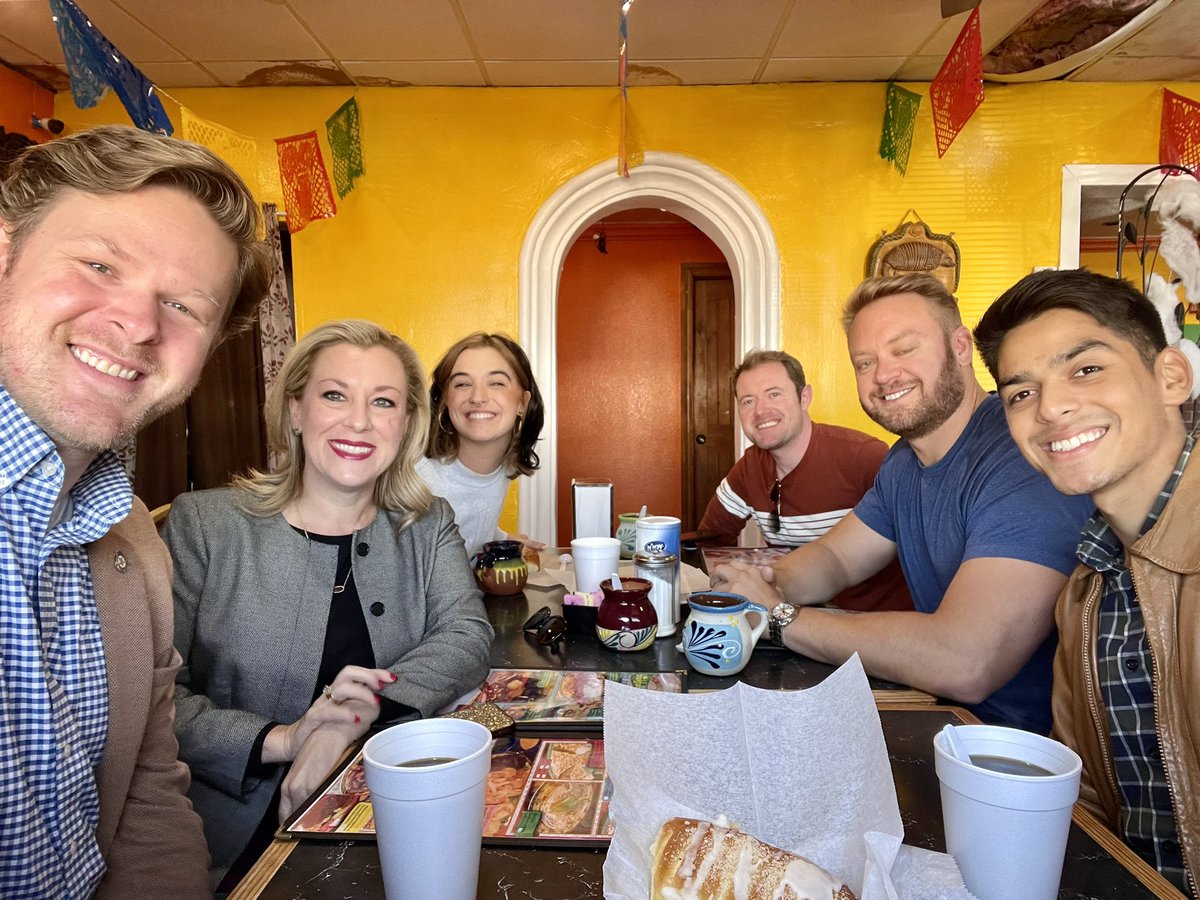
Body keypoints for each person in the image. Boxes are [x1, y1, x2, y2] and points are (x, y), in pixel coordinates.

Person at [0, 124, 272, 897]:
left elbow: (148, 798)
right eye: (100, 265)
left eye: (184, 305)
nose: (141, 324)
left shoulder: (131, 544)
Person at [162, 320, 495, 880]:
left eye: (383, 402)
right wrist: (287, 739)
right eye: (335, 394)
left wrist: (350, 718)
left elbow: (466, 634)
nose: (359, 421)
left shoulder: (426, 523)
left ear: (406, 422)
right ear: (295, 409)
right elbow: (156, 701)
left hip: (393, 813)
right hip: (229, 837)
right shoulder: (205, 525)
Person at [712, 274, 1093, 733]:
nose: (884, 375)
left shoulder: (1018, 454)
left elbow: (965, 662)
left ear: (959, 346)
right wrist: (761, 583)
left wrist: (779, 616)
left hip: (1012, 748)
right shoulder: (904, 461)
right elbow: (837, 558)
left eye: (904, 348)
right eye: (864, 362)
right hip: (934, 711)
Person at [974, 268, 1198, 896]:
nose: (1050, 408)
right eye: (1021, 393)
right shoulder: (1086, 589)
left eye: (1086, 369)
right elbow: (1089, 800)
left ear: (1170, 378)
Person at [698, 349, 911, 612]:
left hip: (873, 622)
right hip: (792, 619)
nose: (761, 411)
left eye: (774, 394)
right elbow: (708, 541)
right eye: (748, 401)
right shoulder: (749, 468)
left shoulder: (864, 457)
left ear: (804, 397)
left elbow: (922, 547)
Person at [419, 332, 546, 557]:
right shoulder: (419, 478)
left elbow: (466, 520)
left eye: (496, 383)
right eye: (462, 384)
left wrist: (501, 538)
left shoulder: (504, 465)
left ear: (523, 403)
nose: (477, 397)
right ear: (446, 401)